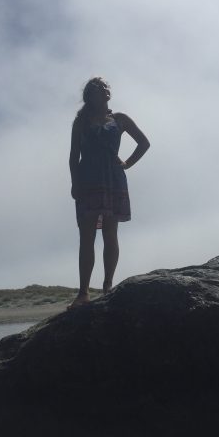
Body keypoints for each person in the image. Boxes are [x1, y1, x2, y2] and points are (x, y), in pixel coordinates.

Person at [68, 77, 150, 309]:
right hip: (88, 180)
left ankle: (107, 286)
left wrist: (127, 164)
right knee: (87, 236)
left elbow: (144, 143)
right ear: (90, 96)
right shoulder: (81, 122)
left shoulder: (120, 119)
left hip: (113, 179)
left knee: (110, 233)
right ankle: (83, 292)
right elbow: (73, 156)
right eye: (98, 88)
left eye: (105, 87)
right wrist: (75, 184)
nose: (104, 89)